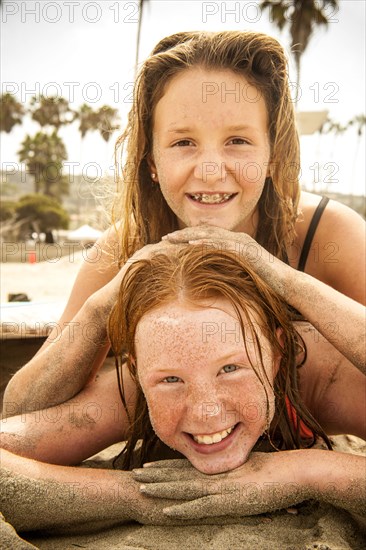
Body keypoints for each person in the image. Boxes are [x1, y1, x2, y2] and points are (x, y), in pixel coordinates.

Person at [2, 30, 365, 455]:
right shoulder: (127, 246)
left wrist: (280, 277)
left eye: (238, 141)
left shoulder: (326, 232)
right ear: (152, 162)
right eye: (183, 143)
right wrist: (109, 300)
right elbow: (21, 409)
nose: (211, 170)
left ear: (272, 156)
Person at [1, 245, 365, 536]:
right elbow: (11, 434)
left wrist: (310, 472)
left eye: (230, 369)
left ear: (277, 354)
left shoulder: (329, 376)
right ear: (136, 371)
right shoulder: (135, 388)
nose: (206, 411)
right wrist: (139, 497)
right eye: (171, 380)